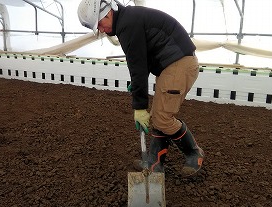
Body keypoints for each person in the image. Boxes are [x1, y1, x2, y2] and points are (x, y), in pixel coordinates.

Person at [77, 0, 204, 177]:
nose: (100, 29)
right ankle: (155, 163)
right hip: (172, 64)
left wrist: (139, 107)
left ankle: (194, 153)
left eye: (99, 24)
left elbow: (137, 66)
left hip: (179, 64)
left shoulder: (127, 24)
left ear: (107, 13)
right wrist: (137, 85)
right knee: (160, 114)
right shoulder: (128, 19)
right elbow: (141, 62)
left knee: (162, 118)